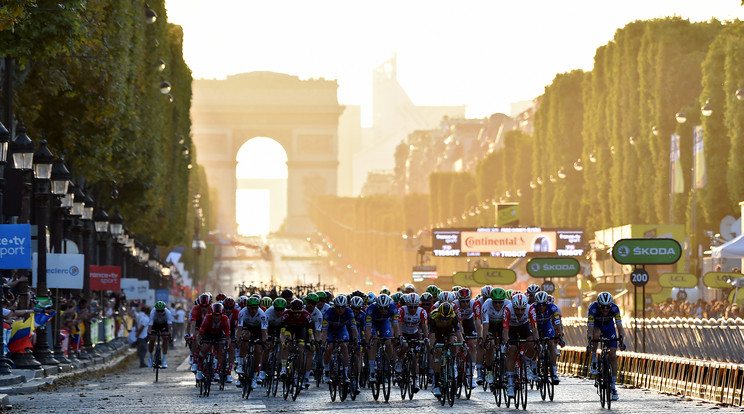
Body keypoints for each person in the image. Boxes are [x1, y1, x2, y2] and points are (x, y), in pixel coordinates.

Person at [587, 291, 626, 401]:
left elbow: (619, 326)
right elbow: (589, 328)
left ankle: (613, 387)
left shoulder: (615, 308)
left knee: (613, 355)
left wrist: (621, 341)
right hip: (597, 326)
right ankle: (594, 360)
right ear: (598, 305)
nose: (605, 310)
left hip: (609, 327)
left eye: (607, 307)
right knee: (596, 334)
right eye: (603, 307)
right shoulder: (592, 308)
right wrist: (589, 342)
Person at [428, 302, 463, 397]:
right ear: (439, 315)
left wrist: (462, 345)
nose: (444, 321)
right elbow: (432, 337)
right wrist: (432, 348)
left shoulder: (453, 317)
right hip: (437, 332)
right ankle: (435, 383)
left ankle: (453, 362)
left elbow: (459, 334)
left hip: (449, 329)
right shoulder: (433, 317)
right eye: (442, 318)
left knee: (453, 341)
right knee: (438, 351)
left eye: (447, 318)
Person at [505, 293, 537, 398]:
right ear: (513, 306)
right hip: (511, 328)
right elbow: (505, 331)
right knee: (512, 351)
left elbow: (534, 328)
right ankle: (510, 385)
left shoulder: (531, 309)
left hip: (524, 326)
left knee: (532, 344)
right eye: (517, 309)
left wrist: (536, 342)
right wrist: (507, 343)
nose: (519, 312)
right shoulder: (507, 309)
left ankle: (526, 365)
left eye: (522, 309)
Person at [322, 295, 358, 383]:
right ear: (335, 307)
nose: (340, 310)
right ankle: (326, 370)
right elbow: (324, 331)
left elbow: (354, 328)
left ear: (346, 307)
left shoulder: (349, 312)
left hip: (342, 329)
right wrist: (324, 343)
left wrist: (356, 340)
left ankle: (345, 374)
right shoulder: (328, 313)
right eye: (338, 307)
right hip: (330, 330)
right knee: (329, 347)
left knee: (344, 346)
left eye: (343, 307)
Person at [396, 293, 428, 392]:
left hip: (414, 333)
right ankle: (400, 361)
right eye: (410, 307)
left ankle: (415, 381)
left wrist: (426, 337)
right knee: (405, 346)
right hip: (404, 333)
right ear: (407, 305)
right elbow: (399, 325)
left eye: (415, 307)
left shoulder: (422, 312)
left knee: (416, 358)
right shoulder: (401, 310)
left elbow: (424, 326)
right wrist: (400, 337)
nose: (413, 309)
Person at [364, 294, 399, 383]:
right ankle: (372, 369)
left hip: (384, 323)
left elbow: (395, 325)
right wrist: (368, 341)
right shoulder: (371, 309)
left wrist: (398, 338)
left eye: (385, 308)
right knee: (374, 342)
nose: (383, 310)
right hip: (373, 324)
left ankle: (386, 367)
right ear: (377, 306)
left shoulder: (393, 308)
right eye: (380, 308)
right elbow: (368, 327)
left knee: (388, 342)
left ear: (388, 306)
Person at [236, 296, 268, 390]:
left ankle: (254, 375)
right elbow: (239, 329)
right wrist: (238, 339)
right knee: (245, 337)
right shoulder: (242, 312)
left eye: (255, 308)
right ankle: (241, 364)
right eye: (251, 308)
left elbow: (264, 332)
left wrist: (264, 342)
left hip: (258, 329)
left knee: (258, 350)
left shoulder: (262, 314)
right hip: (247, 327)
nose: (253, 310)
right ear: (247, 307)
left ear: (258, 307)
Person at [532, 291, 563, 384]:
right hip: (536, 325)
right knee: (535, 345)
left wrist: (560, 336)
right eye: (539, 305)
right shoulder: (532, 308)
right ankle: (534, 367)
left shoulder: (553, 308)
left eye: (544, 304)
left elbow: (558, 323)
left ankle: (554, 372)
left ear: (547, 303)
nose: (542, 307)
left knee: (551, 344)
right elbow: (532, 326)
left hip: (546, 324)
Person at [196, 303, 230, 382]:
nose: (216, 317)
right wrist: (198, 342)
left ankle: (217, 371)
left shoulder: (225, 319)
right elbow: (200, 334)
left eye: (219, 315)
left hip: (219, 335)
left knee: (222, 349)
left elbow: (228, 335)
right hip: (207, 334)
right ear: (211, 313)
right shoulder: (207, 318)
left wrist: (227, 343)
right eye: (214, 315)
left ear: (222, 314)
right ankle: (200, 370)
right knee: (204, 348)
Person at [147, 301, 173, 368]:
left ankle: (164, 360)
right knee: (152, 339)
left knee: (165, 338)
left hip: (163, 324)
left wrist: (169, 334)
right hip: (155, 325)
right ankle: (150, 358)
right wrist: (149, 334)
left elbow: (169, 326)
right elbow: (150, 326)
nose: (160, 313)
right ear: (155, 310)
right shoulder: (152, 312)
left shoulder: (168, 313)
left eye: (162, 311)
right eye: (158, 311)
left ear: (164, 310)